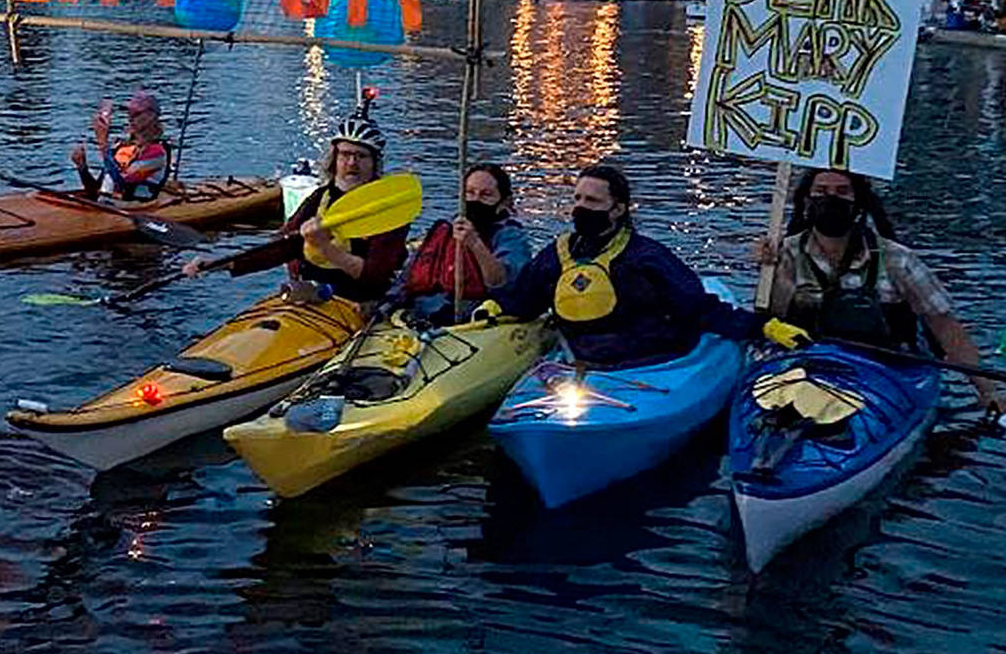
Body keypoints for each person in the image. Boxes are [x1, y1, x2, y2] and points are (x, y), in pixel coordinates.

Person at [484, 162, 802, 368]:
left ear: (618, 208)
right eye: (578, 199)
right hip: (580, 361)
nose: (581, 207)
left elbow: (699, 307)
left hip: (650, 361)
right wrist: (496, 308)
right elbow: (524, 298)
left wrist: (763, 327)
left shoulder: (646, 257)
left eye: (592, 201)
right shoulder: (557, 254)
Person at [757, 167, 999, 412]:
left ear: (859, 203)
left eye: (842, 192)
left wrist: (989, 392)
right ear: (807, 201)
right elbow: (771, 319)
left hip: (885, 371)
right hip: (808, 366)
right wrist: (770, 270)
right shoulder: (785, 254)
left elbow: (946, 329)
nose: (831, 199)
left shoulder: (898, 260)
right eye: (821, 191)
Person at [181, 103, 409, 306]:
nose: (351, 163)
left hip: (360, 302)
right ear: (334, 159)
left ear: (374, 163)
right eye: (345, 155)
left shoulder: (387, 209)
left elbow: (373, 276)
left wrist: (325, 247)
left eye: (361, 156)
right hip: (310, 294)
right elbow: (283, 246)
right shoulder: (321, 197)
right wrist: (218, 265)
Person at [389, 162, 533, 324]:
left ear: (504, 201)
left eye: (486, 195)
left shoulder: (511, 236)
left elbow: (503, 284)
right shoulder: (445, 229)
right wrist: (387, 305)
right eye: (470, 193)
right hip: (420, 312)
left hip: (470, 316)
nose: (475, 200)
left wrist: (475, 243)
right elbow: (407, 276)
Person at [71, 90, 173, 201]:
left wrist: (103, 144)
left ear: (151, 117)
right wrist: (82, 168)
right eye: (130, 113)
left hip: (134, 208)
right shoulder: (120, 148)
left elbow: (123, 182)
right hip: (104, 208)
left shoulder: (156, 152)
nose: (131, 117)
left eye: (137, 113)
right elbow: (96, 191)